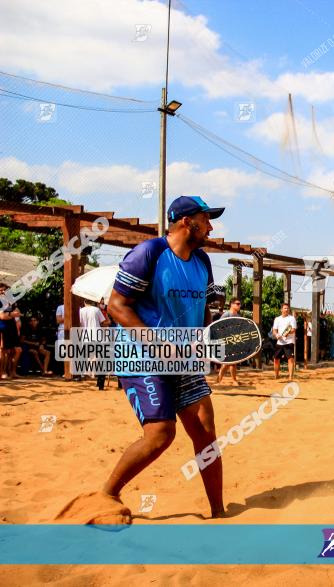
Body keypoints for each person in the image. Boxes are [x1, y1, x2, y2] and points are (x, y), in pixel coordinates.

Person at [97, 195, 226, 518]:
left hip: (183, 357)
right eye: (206, 219)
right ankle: (106, 495)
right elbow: (116, 306)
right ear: (186, 222)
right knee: (160, 434)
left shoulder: (203, 262)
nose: (210, 226)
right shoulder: (149, 253)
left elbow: (205, 309)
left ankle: (219, 513)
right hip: (141, 356)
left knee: (205, 431)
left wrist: (204, 336)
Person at [80, 299, 110, 388]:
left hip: (85, 337)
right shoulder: (96, 310)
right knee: (99, 357)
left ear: (84, 302)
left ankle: (87, 372)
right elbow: (104, 322)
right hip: (97, 336)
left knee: (87, 355)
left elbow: (79, 323)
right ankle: (96, 377)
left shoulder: (81, 311)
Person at [216, 298, 242, 386]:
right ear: (232, 304)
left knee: (232, 361)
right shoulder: (226, 314)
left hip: (234, 341)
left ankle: (222, 379)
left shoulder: (238, 316)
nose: (239, 305)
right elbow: (219, 326)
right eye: (237, 304)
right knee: (229, 361)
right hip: (226, 341)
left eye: (239, 304)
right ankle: (231, 380)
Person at [0, 283, 23, 380]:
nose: (3, 292)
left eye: (4, 290)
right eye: (0, 290)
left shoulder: (10, 301)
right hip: (2, 328)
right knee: (4, 351)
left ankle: (12, 372)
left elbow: (18, 312)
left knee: (17, 350)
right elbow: (2, 316)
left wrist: (12, 315)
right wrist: (13, 314)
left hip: (12, 328)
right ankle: (2, 373)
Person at [272, 303, 297, 381]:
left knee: (290, 359)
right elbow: (274, 330)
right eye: (285, 308)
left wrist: (287, 333)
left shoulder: (292, 318)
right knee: (276, 359)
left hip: (289, 341)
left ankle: (290, 377)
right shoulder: (277, 319)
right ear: (281, 309)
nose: (286, 309)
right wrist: (276, 335)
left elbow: (293, 329)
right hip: (279, 342)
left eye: (287, 308)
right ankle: (276, 375)